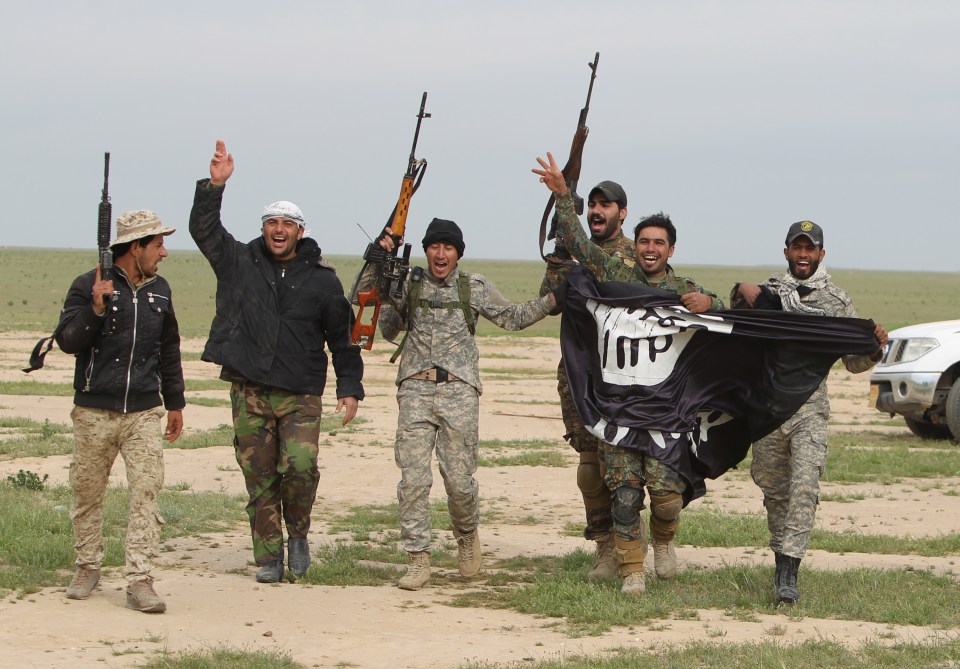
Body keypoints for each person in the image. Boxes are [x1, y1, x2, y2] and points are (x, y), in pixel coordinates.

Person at [534, 152, 723, 595]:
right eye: (644, 242)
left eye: (659, 243)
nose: (650, 249)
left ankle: (663, 542)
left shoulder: (683, 292)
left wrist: (711, 302)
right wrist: (564, 197)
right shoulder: (615, 272)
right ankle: (630, 570)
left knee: (666, 496)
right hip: (617, 410)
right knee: (621, 492)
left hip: (662, 414)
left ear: (670, 249)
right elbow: (580, 247)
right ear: (635, 246)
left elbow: (724, 325)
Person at [189, 140, 364, 584]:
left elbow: (342, 340)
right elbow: (205, 231)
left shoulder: (323, 281)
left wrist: (349, 387)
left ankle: (299, 534)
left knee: (300, 469)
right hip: (250, 389)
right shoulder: (240, 263)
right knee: (259, 476)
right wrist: (214, 186)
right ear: (264, 229)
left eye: (287, 223)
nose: (278, 229)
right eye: (271, 222)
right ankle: (269, 557)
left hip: (301, 392)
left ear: (300, 232)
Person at [357, 218, 560, 590]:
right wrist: (376, 263)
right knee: (413, 480)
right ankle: (418, 558)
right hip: (415, 390)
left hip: (459, 393)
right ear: (426, 250)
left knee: (460, 481)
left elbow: (513, 318)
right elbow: (374, 313)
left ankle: (466, 535)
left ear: (458, 254)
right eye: (434, 246)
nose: (440, 253)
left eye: (448, 247)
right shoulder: (409, 282)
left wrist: (554, 298)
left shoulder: (473, 287)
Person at [731, 220, 887, 603]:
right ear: (786, 252)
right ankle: (779, 555)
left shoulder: (836, 301)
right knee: (775, 493)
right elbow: (738, 326)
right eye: (796, 248)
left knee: (804, 487)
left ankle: (789, 573)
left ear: (821, 253)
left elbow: (853, 362)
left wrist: (873, 349)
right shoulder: (770, 292)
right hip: (769, 412)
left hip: (810, 410)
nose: (803, 254)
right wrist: (738, 291)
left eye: (810, 248)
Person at [56, 210, 184, 613]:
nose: (164, 252)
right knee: (87, 492)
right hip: (94, 410)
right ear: (136, 247)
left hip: (144, 411)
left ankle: (140, 579)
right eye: (157, 244)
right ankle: (88, 566)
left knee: (146, 492)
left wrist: (176, 402)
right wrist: (95, 308)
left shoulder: (160, 291)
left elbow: (169, 349)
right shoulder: (87, 284)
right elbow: (67, 342)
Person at [539, 180, 635, 581]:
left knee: (627, 467)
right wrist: (561, 261)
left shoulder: (634, 255)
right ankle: (605, 546)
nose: (596, 211)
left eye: (605, 205)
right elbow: (550, 302)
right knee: (589, 468)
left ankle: (640, 543)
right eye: (591, 205)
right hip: (579, 374)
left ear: (622, 213)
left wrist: (568, 218)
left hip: (622, 377)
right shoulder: (570, 253)